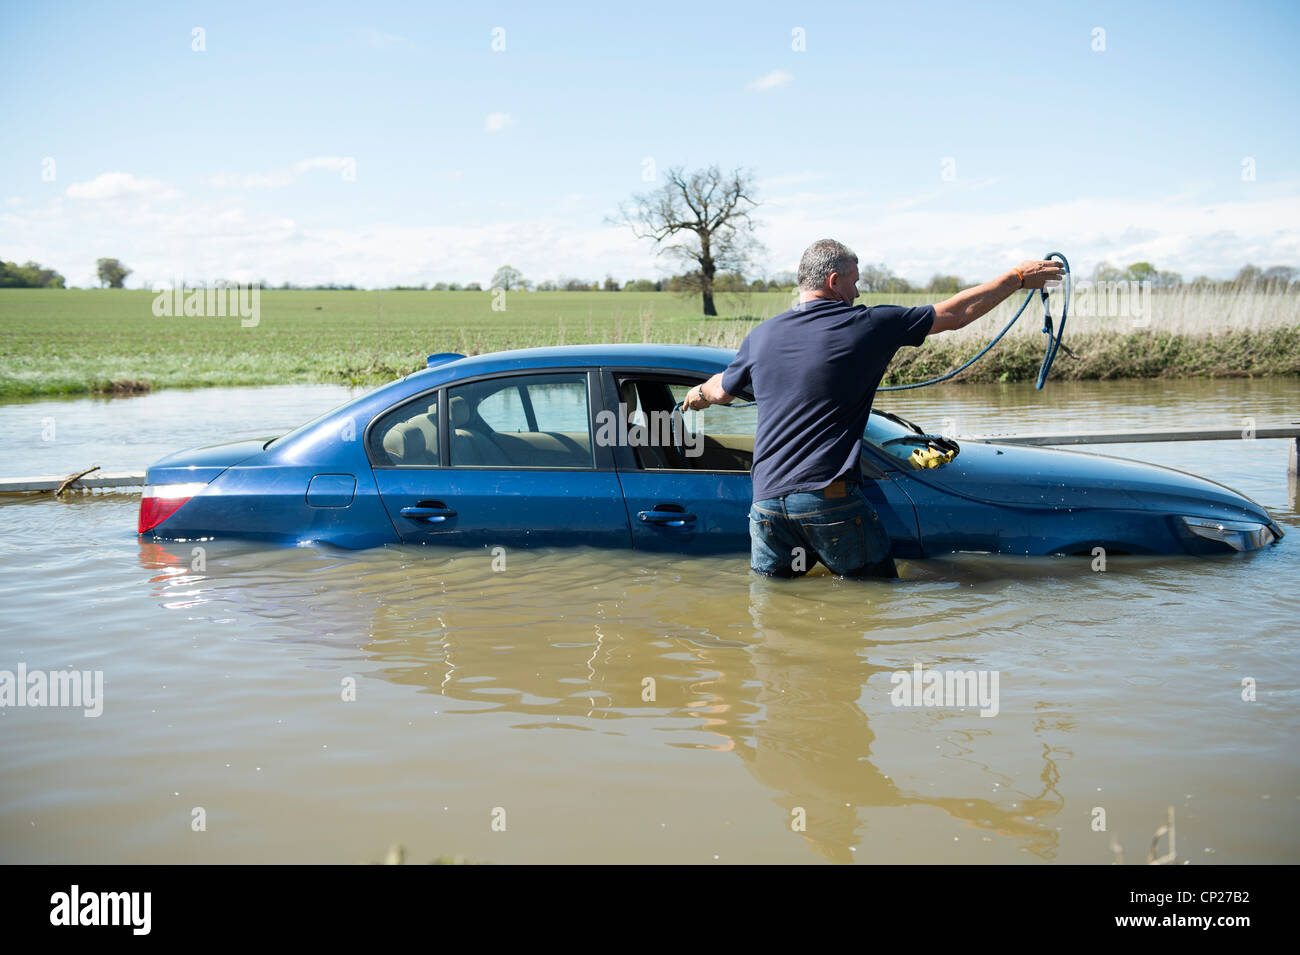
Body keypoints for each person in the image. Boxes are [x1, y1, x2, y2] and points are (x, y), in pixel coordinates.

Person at [682, 238, 1063, 579]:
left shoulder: (761, 335)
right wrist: (1015, 278)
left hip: (765, 505)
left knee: (773, 608)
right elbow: (955, 315)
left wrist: (695, 394)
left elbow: (720, 392)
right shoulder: (867, 324)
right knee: (876, 599)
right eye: (855, 280)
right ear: (834, 281)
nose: (857, 289)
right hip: (826, 499)